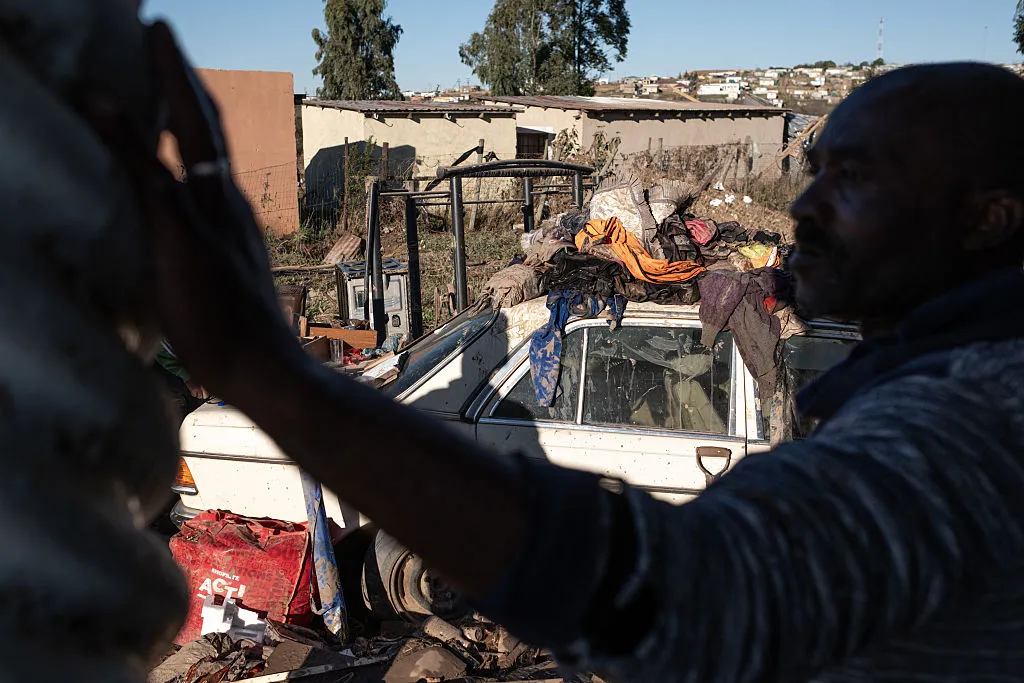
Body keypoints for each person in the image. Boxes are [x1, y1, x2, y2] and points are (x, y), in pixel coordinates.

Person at [115, 24, 1024, 682]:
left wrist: (267, 376)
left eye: (856, 178)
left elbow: (683, 594)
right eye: (817, 168)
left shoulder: (966, 423)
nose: (807, 208)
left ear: (991, 217)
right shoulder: (938, 376)